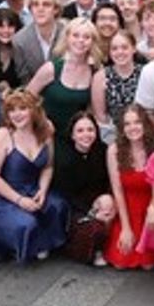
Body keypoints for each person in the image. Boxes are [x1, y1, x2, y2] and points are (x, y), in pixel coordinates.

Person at [0, 89, 69, 262]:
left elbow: (48, 166)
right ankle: (19, 246)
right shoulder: (2, 136)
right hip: (5, 196)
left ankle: (46, 243)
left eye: (22, 108)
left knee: (58, 206)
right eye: (11, 110)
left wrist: (43, 190)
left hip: (33, 187)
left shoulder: (45, 132)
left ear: (33, 111)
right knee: (25, 224)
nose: (17, 114)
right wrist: (19, 200)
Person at [105, 105, 154, 271]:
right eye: (127, 124)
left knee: (148, 264)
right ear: (122, 128)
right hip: (127, 208)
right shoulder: (114, 150)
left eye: (137, 122)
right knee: (119, 262)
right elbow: (117, 189)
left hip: (150, 207)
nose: (133, 128)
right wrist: (126, 228)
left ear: (145, 124)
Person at [52, 111, 114, 265]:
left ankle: (103, 245)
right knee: (91, 230)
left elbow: (108, 182)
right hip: (74, 206)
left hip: (99, 200)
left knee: (107, 207)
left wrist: (105, 205)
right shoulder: (65, 159)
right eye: (80, 131)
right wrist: (92, 213)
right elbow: (67, 194)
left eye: (90, 130)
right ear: (72, 135)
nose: (86, 134)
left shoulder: (102, 150)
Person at [27, 16, 96, 150]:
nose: (80, 41)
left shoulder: (95, 72)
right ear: (67, 38)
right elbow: (26, 100)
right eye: (75, 35)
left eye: (87, 37)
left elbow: (91, 110)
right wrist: (42, 121)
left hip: (78, 141)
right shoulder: (51, 69)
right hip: (46, 135)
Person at [11, 0, 65, 83]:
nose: (40, 9)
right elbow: (24, 77)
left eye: (46, 4)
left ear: (56, 9)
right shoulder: (20, 40)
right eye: (35, 5)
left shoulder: (69, 33)